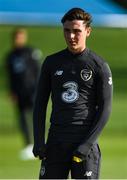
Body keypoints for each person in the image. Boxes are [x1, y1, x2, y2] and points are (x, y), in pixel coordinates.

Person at [33, 8, 113, 179]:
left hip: (84, 144)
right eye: (67, 31)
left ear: (88, 31)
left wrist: (87, 144)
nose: (71, 36)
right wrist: (39, 140)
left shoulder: (98, 65)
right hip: (56, 142)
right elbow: (40, 103)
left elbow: (105, 108)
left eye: (76, 31)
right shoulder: (52, 62)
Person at [6, 28, 42, 160]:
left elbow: (38, 71)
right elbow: (10, 76)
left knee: (36, 118)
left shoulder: (31, 52)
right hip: (19, 92)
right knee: (22, 119)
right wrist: (12, 91)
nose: (18, 40)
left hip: (32, 90)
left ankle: (40, 144)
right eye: (16, 37)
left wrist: (39, 89)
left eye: (21, 37)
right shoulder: (10, 56)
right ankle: (28, 145)